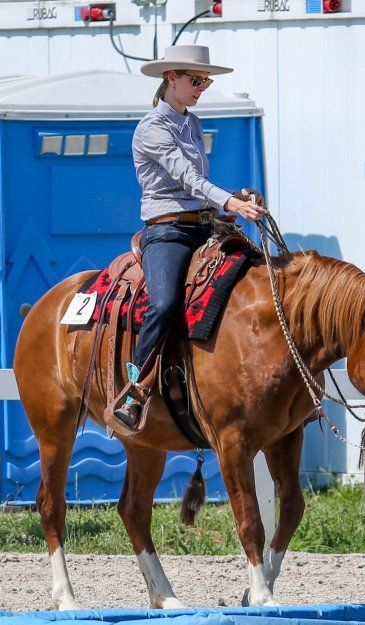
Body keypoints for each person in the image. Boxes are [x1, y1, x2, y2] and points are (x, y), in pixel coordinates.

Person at [113, 44, 268, 432]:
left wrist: (234, 200)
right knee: (164, 304)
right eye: (196, 80)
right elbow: (187, 177)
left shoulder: (191, 123)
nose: (202, 87)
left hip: (201, 224)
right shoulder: (152, 128)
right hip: (166, 231)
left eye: (206, 81)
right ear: (171, 78)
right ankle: (137, 387)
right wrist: (231, 202)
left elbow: (196, 187)